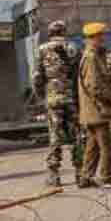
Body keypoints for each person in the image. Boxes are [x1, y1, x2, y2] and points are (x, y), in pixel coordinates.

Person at [32, 20, 83, 189]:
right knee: (77, 135)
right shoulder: (74, 48)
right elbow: (80, 75)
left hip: (53, 98)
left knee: (55, 135)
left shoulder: (42, 49)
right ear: (64, 32)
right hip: (73, 98)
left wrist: (42, 96)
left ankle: (54, 175)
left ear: (50, 32)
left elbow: (37, 77)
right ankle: (81, 173)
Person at [77, 22, 111, 188]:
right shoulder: (91, 57)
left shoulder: (93, 55)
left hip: (93, 108)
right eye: (101, 35)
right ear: (94, 37)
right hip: (96, 109)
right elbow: (94, 86)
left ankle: (86, 177)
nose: (104, 38)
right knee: (107, 145)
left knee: (93, 145)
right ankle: (106, 178)